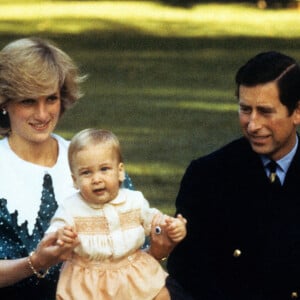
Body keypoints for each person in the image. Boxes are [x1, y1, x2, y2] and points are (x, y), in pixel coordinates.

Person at [0, 37, 137, 299]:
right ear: (4, 104)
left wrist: (160, 246)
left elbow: (134, 246)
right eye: (28, 101)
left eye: (50, 99)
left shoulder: (90, 158)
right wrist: (35, 263)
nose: (42, 115)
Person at [166, 51, 300, 300]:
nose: (252, 124)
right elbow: (187, 270)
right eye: (245, 109)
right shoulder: (207, 177)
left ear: (297, 112)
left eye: (265, 111)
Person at [46, 128, 187, 300]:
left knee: (162, 293)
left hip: (133, 272)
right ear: (75, 180)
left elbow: (156, 221)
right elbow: (54, 232)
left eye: (104, 169)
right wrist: (60, 236)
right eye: (86, 172)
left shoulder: (134, 201)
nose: (96, 179)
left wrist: (173, 227)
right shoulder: (71, 208)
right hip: (88, 281)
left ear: (120, 172)